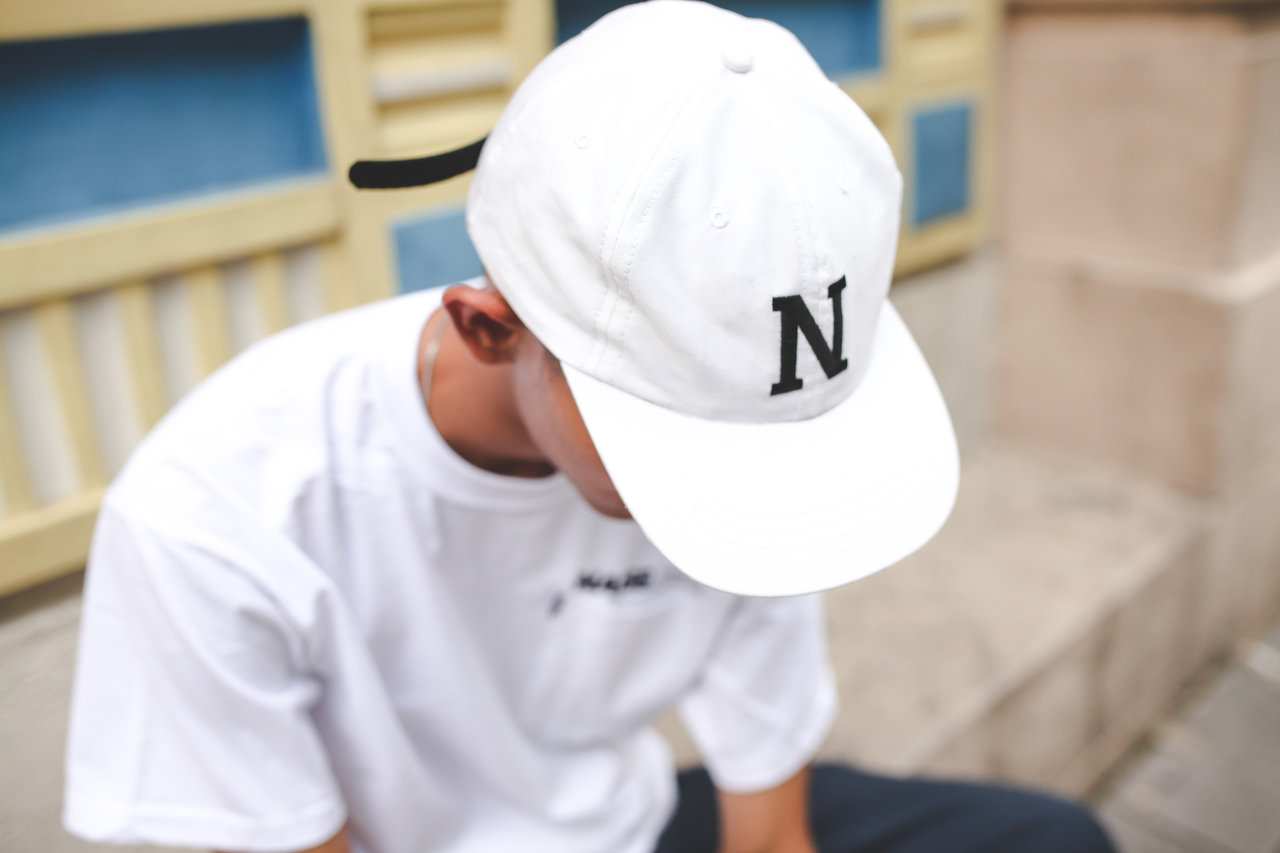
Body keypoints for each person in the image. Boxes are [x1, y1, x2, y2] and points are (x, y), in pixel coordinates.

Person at [63, 3, 1117, 852]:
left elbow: (768, 830)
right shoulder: (219, 511)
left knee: (1049, 840)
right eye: (684, 436)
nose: (747, 481)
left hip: (631, 822)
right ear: (488, 328)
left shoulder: (763, 452)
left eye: (773, 440)